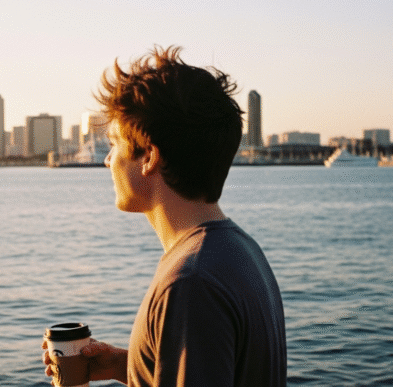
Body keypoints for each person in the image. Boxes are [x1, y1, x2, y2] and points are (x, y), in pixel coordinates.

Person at [43, 46, 286, 386]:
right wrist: (125, 367)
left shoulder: (189, 282)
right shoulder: (240, 251)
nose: (107, 161)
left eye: (114, 145)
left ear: (149, 157)